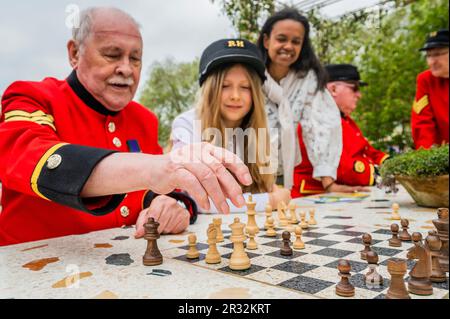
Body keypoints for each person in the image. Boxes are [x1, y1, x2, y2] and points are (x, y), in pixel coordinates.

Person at [0, 7, 251, 246]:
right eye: (112, 54)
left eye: (136, 58)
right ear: (74, 53)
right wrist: (154, 168)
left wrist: (172, 204)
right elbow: (29, 159)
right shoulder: (32, 96)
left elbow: (152, 190)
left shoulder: (144, 118)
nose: (126, 69)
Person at [171, 39, 291, 212]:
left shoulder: (260, 131)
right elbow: (192, 201)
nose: (235, 95)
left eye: (245, 87)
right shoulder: (186, 125)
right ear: (210, 89)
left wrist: (272, 192)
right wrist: (269, 201)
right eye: (225, 86)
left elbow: (267, 187)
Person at [256, 7, 345, 194]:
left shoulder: (308, 80)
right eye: (281, 39)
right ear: (266, 41)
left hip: (282, 173)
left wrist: (328, 182)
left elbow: (322, 125)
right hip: (247, 169)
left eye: (296, 42)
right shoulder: (249, 75)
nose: (288, 46)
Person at [292, 64, 388, 197]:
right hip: (314, 197)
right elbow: (342, 167)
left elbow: (367, 151)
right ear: (333, 89)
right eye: (354, 88)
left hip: (339, 193)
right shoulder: (317, 116)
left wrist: (391, 164)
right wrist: (380, 174)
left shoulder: (344, 119)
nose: (359, 95)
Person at [411, 29, 449, 149]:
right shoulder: (425, 80)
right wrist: (427, 154)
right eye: (428, 56)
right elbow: (422, 122)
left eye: (437, 54)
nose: (432, 61)